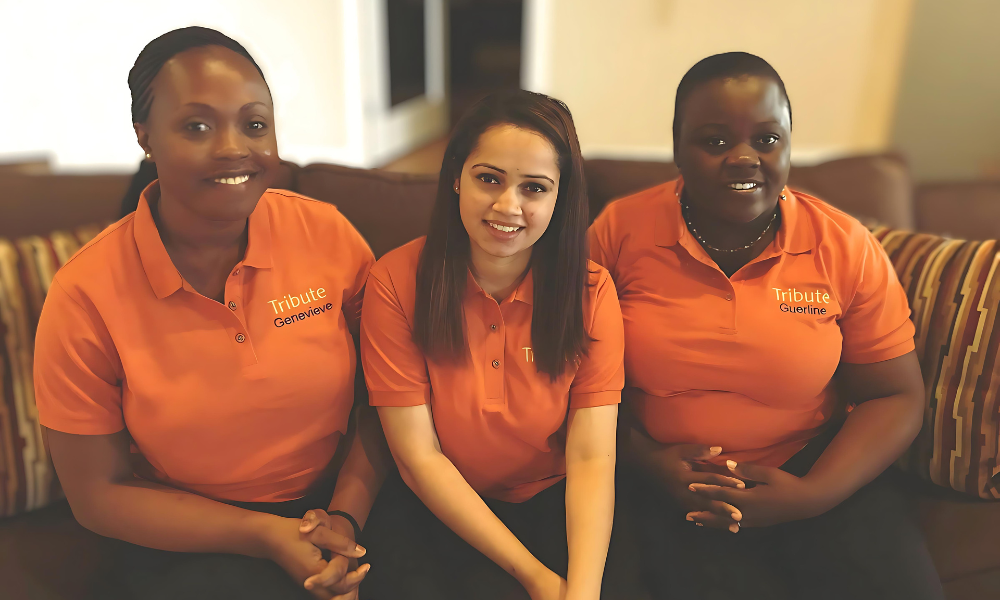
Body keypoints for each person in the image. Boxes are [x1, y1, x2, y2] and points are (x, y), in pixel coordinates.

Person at [33, 27, 387, 600]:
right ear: (144, 136)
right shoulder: (85, 294)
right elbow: (96, 495)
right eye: (197, 126)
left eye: (254, 124)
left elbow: (388, 396)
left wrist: (344, 519)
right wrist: (264, 535)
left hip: (345, 506)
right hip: (187, 536)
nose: (233, 148)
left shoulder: (327, 235)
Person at [588, 52, 945, 600]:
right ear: (678, 148)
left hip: (814, 468)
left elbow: (894, 396)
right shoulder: (621, 231)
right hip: (664, 481)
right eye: (714, 142)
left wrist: (814, 493)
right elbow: (569, 372)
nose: (744, 159)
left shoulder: (844, 246)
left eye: (767, 139)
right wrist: (647, 461)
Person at [359, 90, 627, 600]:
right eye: (489, 179)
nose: (509, 206)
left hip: (559, 501)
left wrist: (583, 592)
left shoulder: (591, 292)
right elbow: (419, 457)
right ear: (455, 176)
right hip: (439, 505)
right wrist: (537, 580)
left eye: (535, 188)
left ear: (559, 197)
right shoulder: (395, 281)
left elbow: (592, 456)